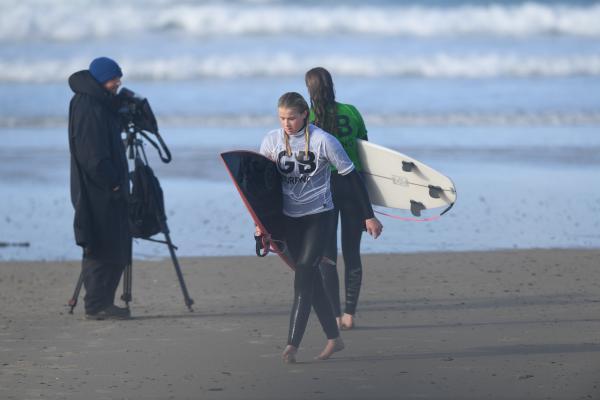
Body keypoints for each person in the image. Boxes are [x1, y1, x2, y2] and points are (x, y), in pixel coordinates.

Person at [258, 92, 382, 363]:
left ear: (305, 114)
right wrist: (260, 225)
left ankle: (292, 344)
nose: (286, 123)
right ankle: (334, 339)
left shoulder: (325, 141)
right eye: (281, 118)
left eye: (291, 117)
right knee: (311, 280)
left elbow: (352, 179)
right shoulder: (271, 141)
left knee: (303, 274)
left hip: (319, 217)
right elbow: (261, 188)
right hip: (288, 219)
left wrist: (368, 216)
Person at [305, 67, 383, 330]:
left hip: (324, 190)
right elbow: (365, 151)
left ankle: (335, 315)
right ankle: (350, 314)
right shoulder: (352, 111)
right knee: (352, 252)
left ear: (310, 90)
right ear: (332, 86)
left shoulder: (308, 118)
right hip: (353, 187)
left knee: (327, 256)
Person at [68, 57, 131, 320]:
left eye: (119, 77)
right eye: (113, 78)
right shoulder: (88, 105)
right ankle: (95, 305)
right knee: (99, 244)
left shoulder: (100, 103)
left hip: (105, 187)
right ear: (100, 79)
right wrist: (114, 181)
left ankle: (104, 302)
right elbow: (92, 156)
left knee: (115, 242)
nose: (118, 82)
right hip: (97, 190)